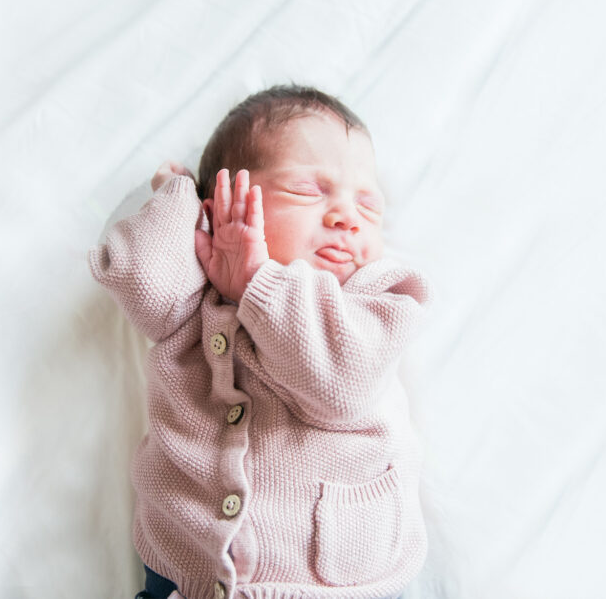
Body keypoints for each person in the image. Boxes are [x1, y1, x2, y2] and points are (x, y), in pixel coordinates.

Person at [89, 85, 430, 599]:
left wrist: (256, 282)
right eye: (307, 191)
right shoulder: (195, 298)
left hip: (336, 579)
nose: (347, 217)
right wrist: (183, 204)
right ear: (223, 204)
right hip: (190, 578)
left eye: (368, 203)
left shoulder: (375, 295)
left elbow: (343, 385)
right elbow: (142, 281)